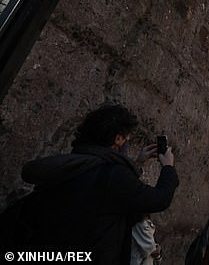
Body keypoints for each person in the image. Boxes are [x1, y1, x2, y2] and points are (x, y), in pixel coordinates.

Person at [5, 102, 179, 264]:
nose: (127, 142)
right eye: (127, 138)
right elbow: (159, 199)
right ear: (118, 139)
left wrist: (137, 164)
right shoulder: (114, 175)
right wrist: (168, 168)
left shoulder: (72, 163)